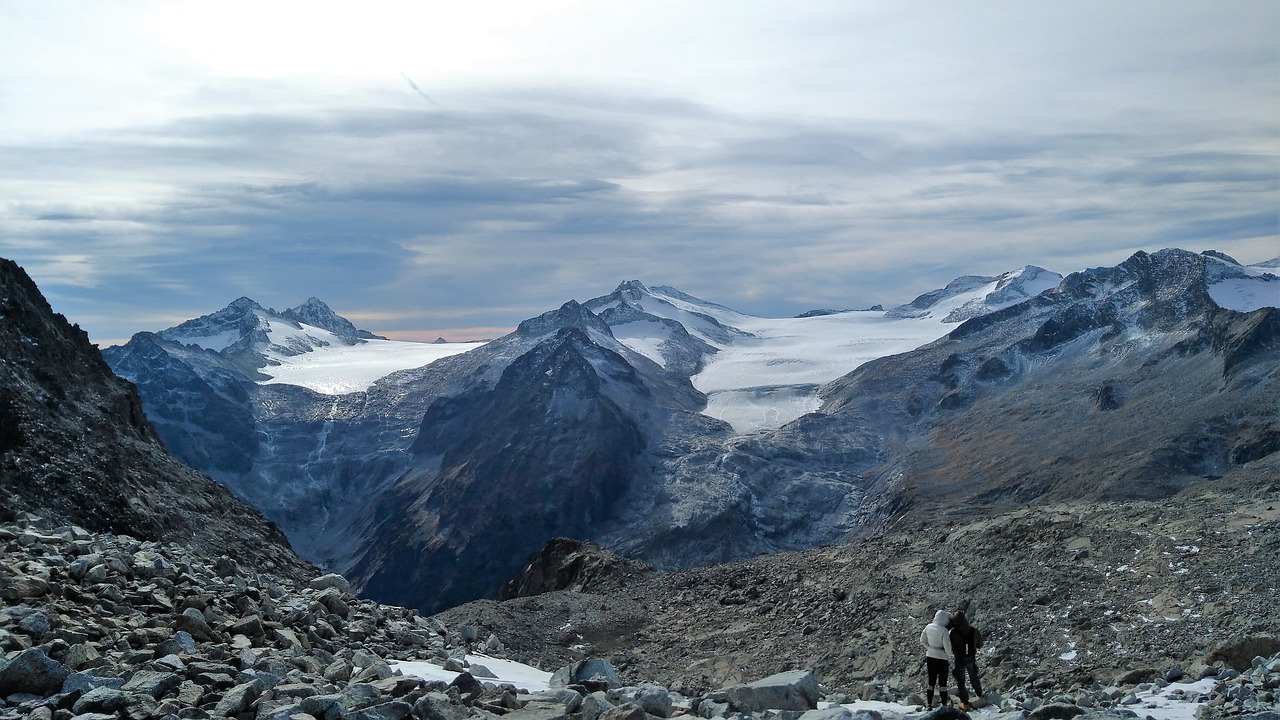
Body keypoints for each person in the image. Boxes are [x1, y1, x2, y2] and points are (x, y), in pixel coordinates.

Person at [949, 611, 983, 710]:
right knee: (974, 676)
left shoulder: (954, 632)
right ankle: (979, 694)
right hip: (971, 658)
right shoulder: (974, 630)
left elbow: (951, 647)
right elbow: (980, 645)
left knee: (961, 681)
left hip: (959, 659)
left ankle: (965, 702)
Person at [919, 609, 953, 708]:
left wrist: (929, 648)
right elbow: (947, 646)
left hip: (930, 656)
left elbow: (922, 640)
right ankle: (944, 704)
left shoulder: (928, 627)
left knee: (931, 681)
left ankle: (929, 703)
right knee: (942, 683)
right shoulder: (944, 630)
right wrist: (948, 655)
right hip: (942, 658)